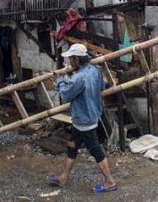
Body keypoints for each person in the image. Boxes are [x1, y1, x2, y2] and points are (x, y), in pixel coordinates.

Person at [46, 43, 117, 193]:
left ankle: (110, 181)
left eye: (71, 59)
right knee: (72, 145)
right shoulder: (95, 70)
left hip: (84, 119)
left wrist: (58, 81)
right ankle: (64, 177)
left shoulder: (79, 77)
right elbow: (102, 87)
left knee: (95, 150)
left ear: (77, 60)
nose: (70, 62)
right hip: (89, 115)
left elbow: (66, 95)